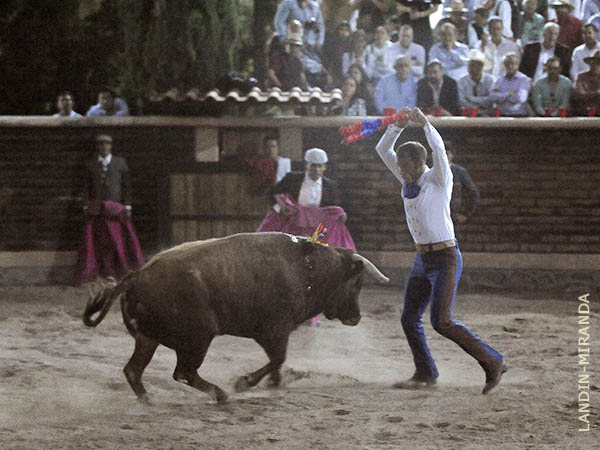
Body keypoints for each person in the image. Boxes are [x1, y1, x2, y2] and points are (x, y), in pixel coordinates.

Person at [374, 107, 505, 394]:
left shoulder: (439, 179)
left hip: (446, 257)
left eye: (406, 167)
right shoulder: (406, 177)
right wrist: (397, 125)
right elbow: (382, 148)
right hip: (423, 258)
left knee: (441, 321)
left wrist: (425, 124)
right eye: (401, 167)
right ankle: (426, 372)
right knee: (409, 317)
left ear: (421, 163)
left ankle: (493, 361)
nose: (402, 172)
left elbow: (439, 150)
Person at [74, 134, 144, 285]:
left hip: (116, 210)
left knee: (118, 241)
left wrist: (128, 205)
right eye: (101, 144)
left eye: (106, 144)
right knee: (100, 242)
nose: (104, 147)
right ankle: (104, 272)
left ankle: (121, 271)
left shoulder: (120, 163)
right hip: (97, 209)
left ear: (111, 146)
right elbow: (85, 187)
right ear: (97, 147)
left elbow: (126, 186)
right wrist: (86, 205)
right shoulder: (90, 164)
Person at [446, 144, 480, 239]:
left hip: (452, 215)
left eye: (447, 153)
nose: (443, 156)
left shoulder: (459, 172)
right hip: (434, 215)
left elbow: (474, 193)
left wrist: (465, 214)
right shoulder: (430, 171)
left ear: (452, 155)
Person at [267, 26, 310, 90]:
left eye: (297, 46)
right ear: (287, 45)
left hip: (293, 92)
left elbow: (302, 77)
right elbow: (271, 74)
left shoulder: (297, 61)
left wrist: (307, 88)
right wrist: (281, 87)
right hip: (278, 92)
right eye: (292, 45)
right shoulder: (279, 58)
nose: (294, 49)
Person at [457, 49, 497, 115]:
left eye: (473, 65)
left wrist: (471, 98)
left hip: (488, 115)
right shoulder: (462, 81)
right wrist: (477, 106)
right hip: (468, 114)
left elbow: (491, 100)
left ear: (480, 67)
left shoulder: (490, 80)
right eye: (469, 65)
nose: (470, 68)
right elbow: (461, 101)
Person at [571, 49, 600, 114]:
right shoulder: (581, 77)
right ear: (589, 64)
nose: (595, 66)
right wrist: (596, 93)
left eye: (598, 63)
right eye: (593, 62)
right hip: (584, 112)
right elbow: (578, 94)